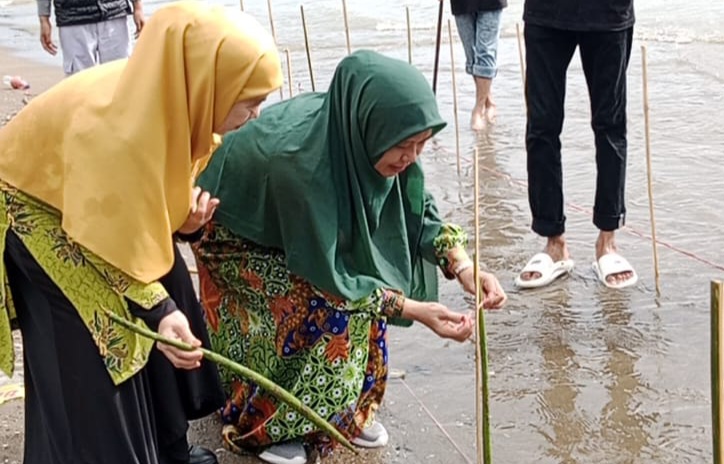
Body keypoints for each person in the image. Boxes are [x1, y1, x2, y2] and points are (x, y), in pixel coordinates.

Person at [191, 50, 507, 464]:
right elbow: (334, 280)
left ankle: (345, 413)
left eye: (422, 145)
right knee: (319, 304)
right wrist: (414, 309)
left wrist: (464, 265)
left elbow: (416, 208)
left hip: (291, 215)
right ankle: (268, 422)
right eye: (404, 146)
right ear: (368, 131)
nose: (412, 157)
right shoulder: (302, 170)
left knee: (361, 287)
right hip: (230, 226)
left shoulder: (374, 140)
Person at [0, 2, 283, 464]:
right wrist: (161, 313)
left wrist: (184, 226)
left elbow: (141, 212)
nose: (254, 116)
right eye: (250, 101)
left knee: (165, 289)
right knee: (101, 345)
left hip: (87, 203)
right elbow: (104, 246)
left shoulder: (173, 101)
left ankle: (168, 447)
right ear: (215, 84)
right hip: (36, 209)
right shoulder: (120, 133)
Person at [515, 0, 638, 290]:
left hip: (608, 13)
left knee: (610, 125)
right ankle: (553, 242)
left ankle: (607, 241)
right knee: (542, 127)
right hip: (546, 14)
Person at [37, 0, 144, 75]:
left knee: (119, 75)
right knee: (79, 80)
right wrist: (44, 18)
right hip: (72, 16)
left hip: (113, 12)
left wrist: (138, 6)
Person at [451, 0, 507, 130]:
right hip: (461, 4)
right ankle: (489, 102)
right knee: (471, 55)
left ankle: (478, 109)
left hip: (491, 3)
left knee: (485, 52)